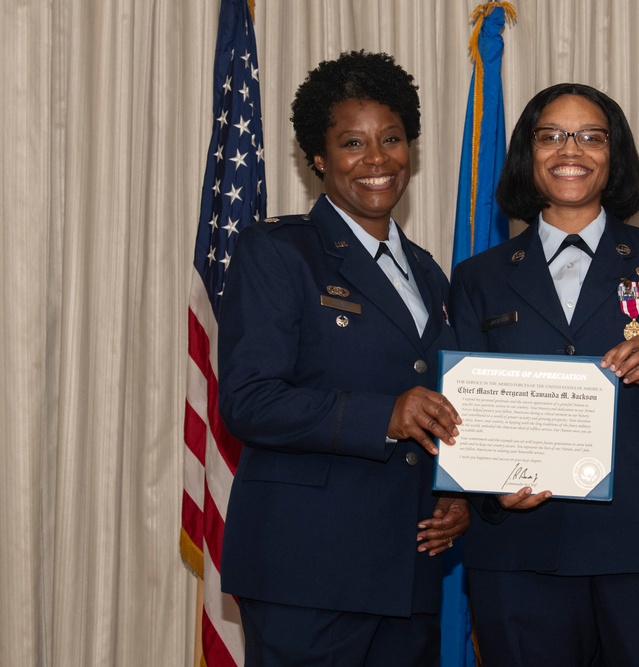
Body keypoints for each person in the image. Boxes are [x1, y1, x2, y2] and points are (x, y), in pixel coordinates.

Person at [449, 83, 639, 666]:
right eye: (551, 135)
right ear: (528, 154)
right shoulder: (477, 277)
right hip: (521, 556)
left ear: (614, 155)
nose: (571, 150)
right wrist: (489, 495)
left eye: (591, 136)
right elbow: (457, 417)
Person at [217, 51, 467, 666]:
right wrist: (385, 416)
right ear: (320, 158)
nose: (377, 159)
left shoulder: (431, 274)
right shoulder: (277, 253)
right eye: (352, 142)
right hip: (307, 572)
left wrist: (463, 494)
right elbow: (249, 401)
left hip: (409, 574)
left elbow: (449, 404)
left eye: (392, 138)